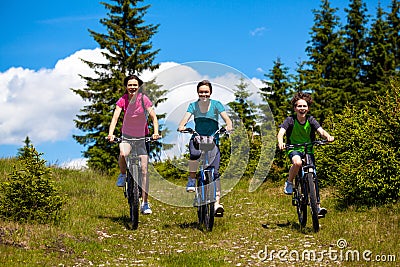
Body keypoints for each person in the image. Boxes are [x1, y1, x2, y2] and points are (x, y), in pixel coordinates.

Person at [178, 80, 233, 217]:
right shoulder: (193, 105)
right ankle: (192, 180)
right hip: (198, 138)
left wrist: (228, 126)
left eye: (206, 92)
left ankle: (216, 204)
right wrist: (182, 126)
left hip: (212, 140)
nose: (204, 94)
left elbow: (227, 119)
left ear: (210, 93)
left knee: (214, 173)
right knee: (194, 155)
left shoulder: (216, 105)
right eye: (201, 92)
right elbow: (184, 119)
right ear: (198, 93)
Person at [107, 74, 160, 215]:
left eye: (135, 85)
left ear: (139, 86)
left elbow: (154, 118)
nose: (132, 87)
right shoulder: (123, 100)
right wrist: (111, 134)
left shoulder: (144, 100)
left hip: (142, 137)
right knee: (123, 153)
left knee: (144, 170)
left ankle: (145, 203)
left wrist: (155, 133)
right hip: (127, 136)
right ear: (126, 86)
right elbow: (115, 118)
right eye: (130, 85)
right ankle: (123, 175)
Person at [277, 92, 334, 217]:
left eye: (304, 106)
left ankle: (317, 207)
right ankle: (289, 182)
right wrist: (281, 142)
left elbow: (321, 131)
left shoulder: (311, 120)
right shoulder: (290, 120)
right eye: (299, 106)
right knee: (297, 162)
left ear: (308, 108)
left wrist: (328, 136)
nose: (302, 108)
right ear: (295, 108)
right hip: (294, 148)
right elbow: (281, 133)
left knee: (313, 175)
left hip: (308, 149)